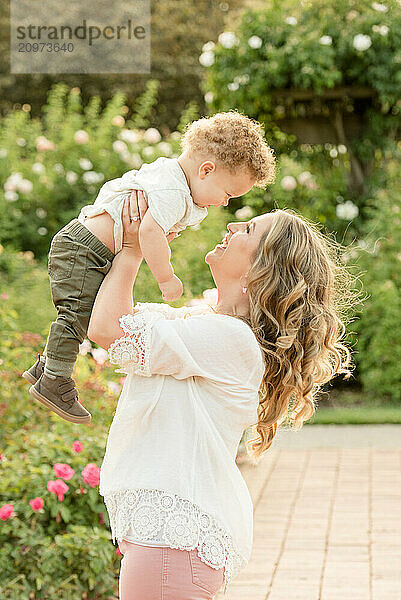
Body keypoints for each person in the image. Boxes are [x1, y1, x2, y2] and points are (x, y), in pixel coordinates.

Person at [87, 190, 356, 599]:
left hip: (171, 544)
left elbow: (108, 329)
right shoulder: (208, 324)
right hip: (169, 543)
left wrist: (132, 250)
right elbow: (109, 314)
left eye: (247, 229)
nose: (231, 225)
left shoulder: (229, 339)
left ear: (261, 271)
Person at [22, 111, 276, 425]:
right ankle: (54, 381)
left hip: (90, 246)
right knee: (76, 316)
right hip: (85, 249)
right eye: (228, 194)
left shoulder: (171, 176)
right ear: (206, 170)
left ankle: (47, 366)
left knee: (83, 313)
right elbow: (148, 232)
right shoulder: (173, 192)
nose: (225, 204)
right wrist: (166, 278)